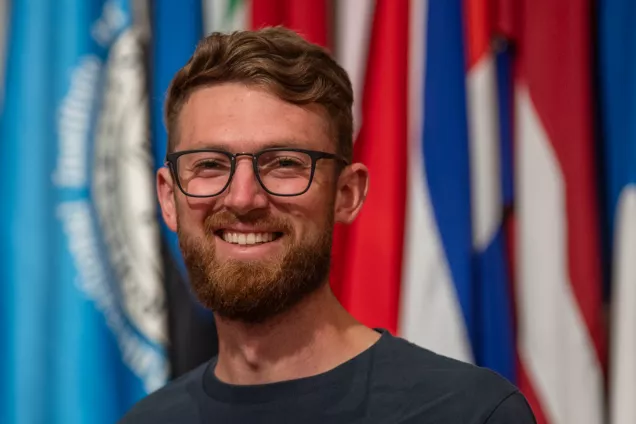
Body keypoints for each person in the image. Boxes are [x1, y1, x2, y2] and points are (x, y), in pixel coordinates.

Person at [120, 26, 536, 424]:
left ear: (347, 194)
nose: (243, 198)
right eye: (209, 165)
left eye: (284, 163)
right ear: (168, 198)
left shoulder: (470, 414)